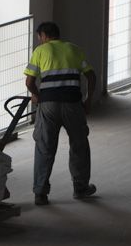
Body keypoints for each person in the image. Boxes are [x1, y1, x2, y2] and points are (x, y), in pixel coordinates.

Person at [23, 21, 97, 205]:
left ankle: (40, 192)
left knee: (44, 147)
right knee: (79, 145)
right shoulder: (74, 49)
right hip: (73, 103)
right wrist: (88, 100)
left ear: (43, 36)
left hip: (48, 105)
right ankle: (80, 188)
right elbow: (91, 75)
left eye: (39, 37)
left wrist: (36, 95)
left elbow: (29, 82)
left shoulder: (41, 51)